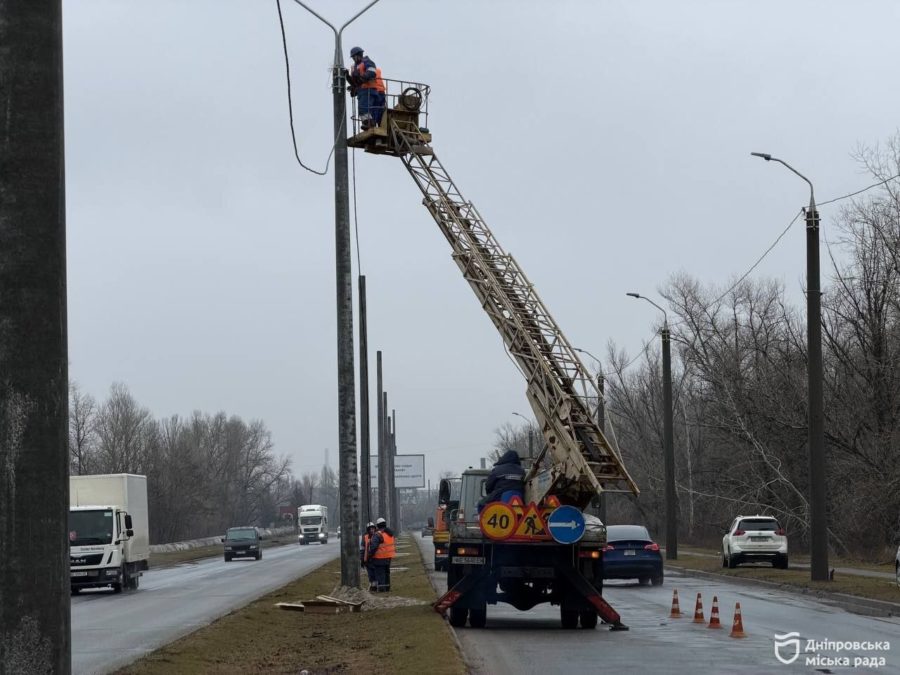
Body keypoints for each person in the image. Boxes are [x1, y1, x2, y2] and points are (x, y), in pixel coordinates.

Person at [348, 46, 385, 130]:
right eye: (353, 57)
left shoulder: (367, 62)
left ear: (359, 55)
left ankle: (370, 124)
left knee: (364, 108)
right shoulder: (354, 67)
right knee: (368, 109)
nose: (354, 59)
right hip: (362, 91)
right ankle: (370, 124)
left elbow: (372, 72)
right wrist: (349, 81)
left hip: (369, 90)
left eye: (354, 57)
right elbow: (355, 81)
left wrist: (363, 77)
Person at [366, 517, 395, 592]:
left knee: (380, 574)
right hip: (388, 557)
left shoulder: (378, 534)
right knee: (386, 573)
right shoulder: (390, 534)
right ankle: (387, 588)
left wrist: (369, 556)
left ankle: (382, 589)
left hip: (379, 558)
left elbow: (373, 547)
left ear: (378, 526)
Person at [360, 522, 377, 592]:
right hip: (367, 559)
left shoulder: (377, 535)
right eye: (370, 529)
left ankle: (375, 586)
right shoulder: (365, 537)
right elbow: (362, 548)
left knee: (376, 573)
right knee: (370, 574)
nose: (372, 530)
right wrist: (362, 559)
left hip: (376, 559)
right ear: (368, 530)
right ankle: (372, 585)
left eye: (373, 529)